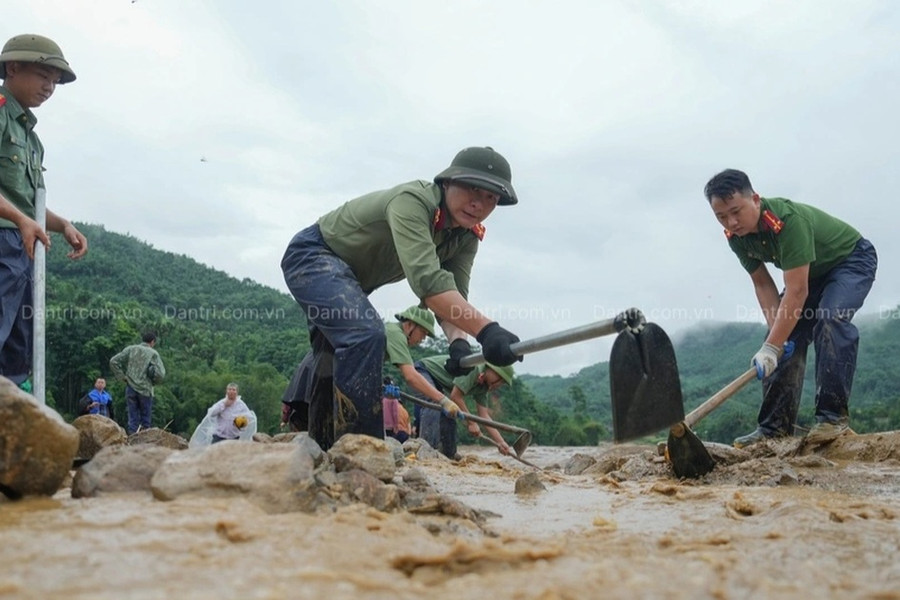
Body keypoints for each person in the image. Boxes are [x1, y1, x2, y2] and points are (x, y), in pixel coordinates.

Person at [281, 147, 523, 450]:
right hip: (315, 255)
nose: (479, 203)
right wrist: (488, 331)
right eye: (472, 188)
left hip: (352, 282)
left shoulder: (465, 236)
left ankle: (324, 449)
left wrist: (458, 343)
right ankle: (363, 452)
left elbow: (454, 298)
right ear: (447, 182)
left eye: (491, 197)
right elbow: (427, 283)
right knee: (365, 334)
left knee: (330, 358)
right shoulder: (413, 202)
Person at [704, 169, 877, 448]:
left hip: (849, 261)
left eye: (736, 212)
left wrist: (773, 346)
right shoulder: (736, 238)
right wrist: (775, 341)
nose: (731, 222)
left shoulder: (786, 221)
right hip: (808, 274)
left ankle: (832, 420)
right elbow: (762, 284)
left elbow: (797, 291)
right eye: (721, 217)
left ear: (755, 200)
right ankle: (774, 430)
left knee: (830, 320)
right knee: (782, 337)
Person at [0, 34, 88, 390]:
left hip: (23, 250)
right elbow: (19, 212)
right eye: (43, 75)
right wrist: (21, 220)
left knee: (17, 349)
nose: (50, 86)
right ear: (13, 67)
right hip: (3, 242)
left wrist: (61, 224)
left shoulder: (32, 139)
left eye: (55, 81)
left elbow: (25, 201)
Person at [414, 355, 515, 458]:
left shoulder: (483, 387)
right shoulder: (473, 368)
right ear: (492, 369)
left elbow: (484, 416)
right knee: (433, 403)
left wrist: (500, 442)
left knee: (449, 412)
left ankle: (449, 455)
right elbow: (455, 396)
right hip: (424, 370)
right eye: (500, 379)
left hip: (438, 383)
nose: (499, 384)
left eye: (502, 383)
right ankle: (426, 452)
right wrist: (471, 422)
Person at [109, 332, 166, 434]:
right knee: (145, 420)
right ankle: (143, 444)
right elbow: (161, 374)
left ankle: (131, 441)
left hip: (131, 387)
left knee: (132, 418)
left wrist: (122, 377)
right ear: (152, 342)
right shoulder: (153, 353)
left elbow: (113, 361)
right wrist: (154, 381)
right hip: (145, 390)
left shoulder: (131, 349)